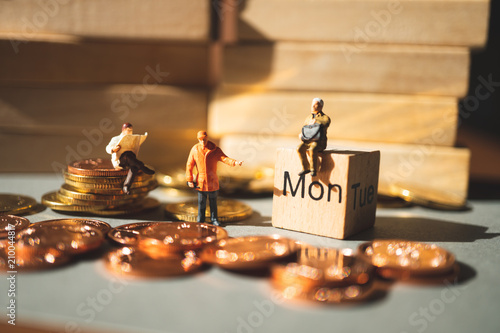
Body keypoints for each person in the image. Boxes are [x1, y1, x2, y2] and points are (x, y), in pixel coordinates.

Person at [186, 131, 243, 226]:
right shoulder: (195, 150)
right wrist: (189, 179)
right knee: (201, 203)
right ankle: (200, 220)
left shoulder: (215, 150)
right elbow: (189, 165)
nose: (203, 141)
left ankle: (214, 219)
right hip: (201, 181)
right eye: (200, 140)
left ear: (207, 138)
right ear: (198, 139)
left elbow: (224, 158)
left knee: (213, 203)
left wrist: (235, 162)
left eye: (204, 139)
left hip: (213, 181)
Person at [106, 123, 155, 194]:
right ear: (123, 130)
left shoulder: (133, 138)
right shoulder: (115, 139)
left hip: (131, 161)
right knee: (127, 155)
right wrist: (113, 149)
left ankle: (126, 186)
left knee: (134, 167)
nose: (129, 132)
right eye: (128, 130)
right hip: (120, 161)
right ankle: (142, 167)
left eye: (131, 130)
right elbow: (107, 148)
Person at [297, 98, 331, 177]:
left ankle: (313, 170)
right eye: (312, 104)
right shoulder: (308, 118)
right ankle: (306, 168)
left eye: (316, 104)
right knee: (299, 148)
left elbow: (326, 123)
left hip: (318, 141)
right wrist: (301, 134)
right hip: (308, 140)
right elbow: (305, 128)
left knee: (313, 149)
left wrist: (316, 122)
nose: (313, 106)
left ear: (320, 107)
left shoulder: (324, 117)